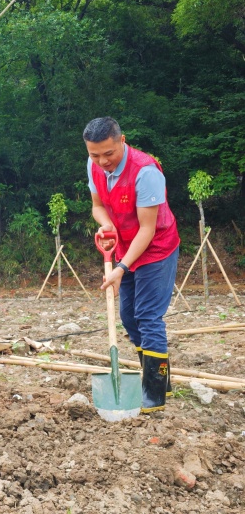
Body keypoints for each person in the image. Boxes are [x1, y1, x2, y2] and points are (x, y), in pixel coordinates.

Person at [84, 117, 179, 413]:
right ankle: (161, 379)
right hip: (126, 247)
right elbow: (98, 206)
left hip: (157, 249)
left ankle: (154, 394)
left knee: (148, 316)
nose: (102, 161)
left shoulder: (146, 171)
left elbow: (148, 229)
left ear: (122, 141)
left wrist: (120, 268)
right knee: (129, 317)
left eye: (108, 153)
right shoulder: (95, 167)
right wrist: (107, 227)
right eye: (94, 155)